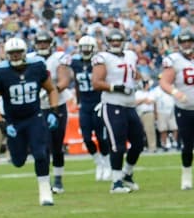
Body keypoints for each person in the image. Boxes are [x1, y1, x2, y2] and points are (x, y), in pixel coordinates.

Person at [0, 37, 61, 206]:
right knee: (18, 161)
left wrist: (54, 111)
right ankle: (21, 153)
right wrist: (1, 123)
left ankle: (45, 191)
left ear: (24, 52)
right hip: (14, 121)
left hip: (35, 117)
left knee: (41, 154)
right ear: (7, 55)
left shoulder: (36, 66)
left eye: (18, 52)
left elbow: (51, 89)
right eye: (12, 53)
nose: (15, 56)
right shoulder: (0, 72)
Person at [91, 29, 145, 194]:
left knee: (138, 143)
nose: (115, 43)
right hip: (112, 104)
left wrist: (140, 81)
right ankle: (116, 183)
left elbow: (134, 74)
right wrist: (116, 87)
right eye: (112, 41)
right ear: (108, 42)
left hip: (130, 105)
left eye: (118, 40)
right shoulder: (103, 58)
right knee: (118, 145)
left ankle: (127, 174)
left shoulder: (130, 55)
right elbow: (96, 83)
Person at [32, 31, 72, 194]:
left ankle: (58, 180)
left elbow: (64, 80)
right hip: (38, 107)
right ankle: (45, 181)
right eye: (40, 43)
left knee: (56, 145)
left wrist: (51, 91)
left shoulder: (59, 58)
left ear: (51, 43)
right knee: (43, 146)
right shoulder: (30, 59)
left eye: (45, 42)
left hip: (57, 104)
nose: (42, 45)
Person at [70, 35, 110, 181]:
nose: (86, 52)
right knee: (86, 138)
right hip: (85, 105)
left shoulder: (99, 62)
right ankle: (98, 162)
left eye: (88, 49)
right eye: (83, 49)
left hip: (99, 103)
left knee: (101, 136)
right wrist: (78, 100)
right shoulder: (75, 63)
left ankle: (107, 163)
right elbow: (75, 81)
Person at [158, 30, 194, 190]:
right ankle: (186, 175)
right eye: (184, 42)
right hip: (184, 108)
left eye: (189, 42)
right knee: (187, 145)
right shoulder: (174, 60)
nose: (187, 45)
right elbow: (164, 82)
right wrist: (175, 92)